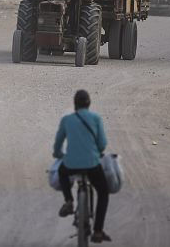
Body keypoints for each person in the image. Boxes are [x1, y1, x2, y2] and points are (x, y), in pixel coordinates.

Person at [54, 90, 111, 243]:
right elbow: (102, 144)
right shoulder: (96, 118)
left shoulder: (67, 120)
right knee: (103, 192)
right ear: (89, 103)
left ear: (75, 104)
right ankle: (98, 231)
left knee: (61, 171)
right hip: (92, 164)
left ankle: (69, 201)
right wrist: (96, 152)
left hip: (71, 164)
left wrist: (58, 155)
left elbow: (58, 145)